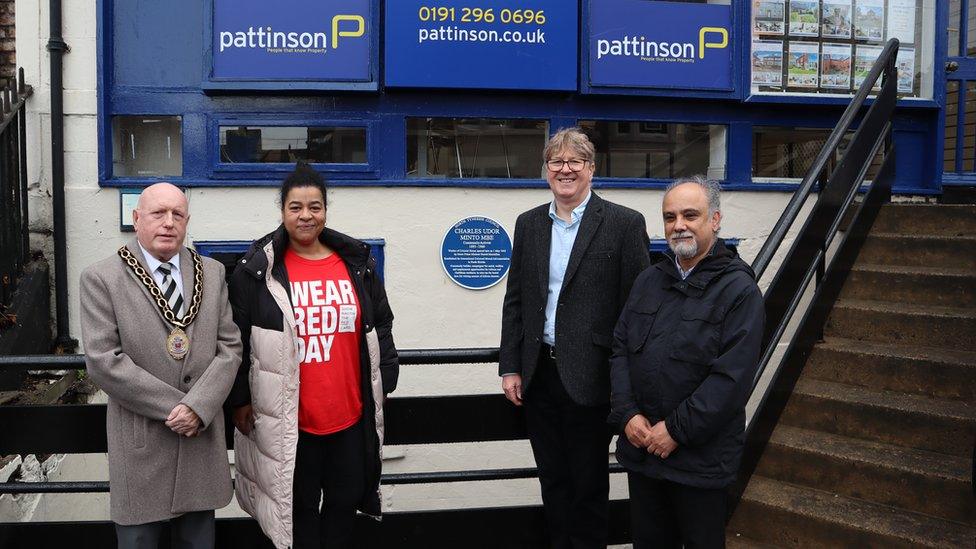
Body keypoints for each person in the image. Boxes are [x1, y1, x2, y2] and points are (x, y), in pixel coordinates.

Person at [227, 162, 398, 549]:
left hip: (350, 418)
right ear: (283, 211)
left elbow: (381, 324)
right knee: (298, 511)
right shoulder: (257, 272)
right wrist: (239, 400)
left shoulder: (357, 266)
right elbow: (236, 340)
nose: (306, 215)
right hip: (290, 423)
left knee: (344, 502)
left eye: (315, 206)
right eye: (296, 207)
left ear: (325, 210)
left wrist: (384, 380)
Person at [499, 127, 651, 548]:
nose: (565, 170)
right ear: (546, 169)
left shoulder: (623, 224)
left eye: (574, 162)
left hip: (593, 379)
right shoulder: (528, 224)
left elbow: (636, 309)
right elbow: (516, 301)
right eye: (556, 162)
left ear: (591, 169)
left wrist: (629, 383)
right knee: (553, 481)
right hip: (538, 377)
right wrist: (510, 365)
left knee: (588, 487)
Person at [79, 182, 242, 549]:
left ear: (187, 222)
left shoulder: (212, 273)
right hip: (142, 447)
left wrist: (198, 407)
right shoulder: (101, 278)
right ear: (137, 219)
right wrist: (178, 408)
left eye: (177, 214)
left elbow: (230, 346)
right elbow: (104, 360)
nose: (168, 222)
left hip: (199, 442)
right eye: (158, 213)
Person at [609, 176, 764, 548]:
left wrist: (676, 430)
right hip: (644, 452)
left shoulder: (739, 290)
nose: (678, 225)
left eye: (690, 215)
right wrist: (627, 414)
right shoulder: (648, 280)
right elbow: (620, 350)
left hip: (700, 462)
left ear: (714, 220)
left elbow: (731, 379)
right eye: (670, 216)